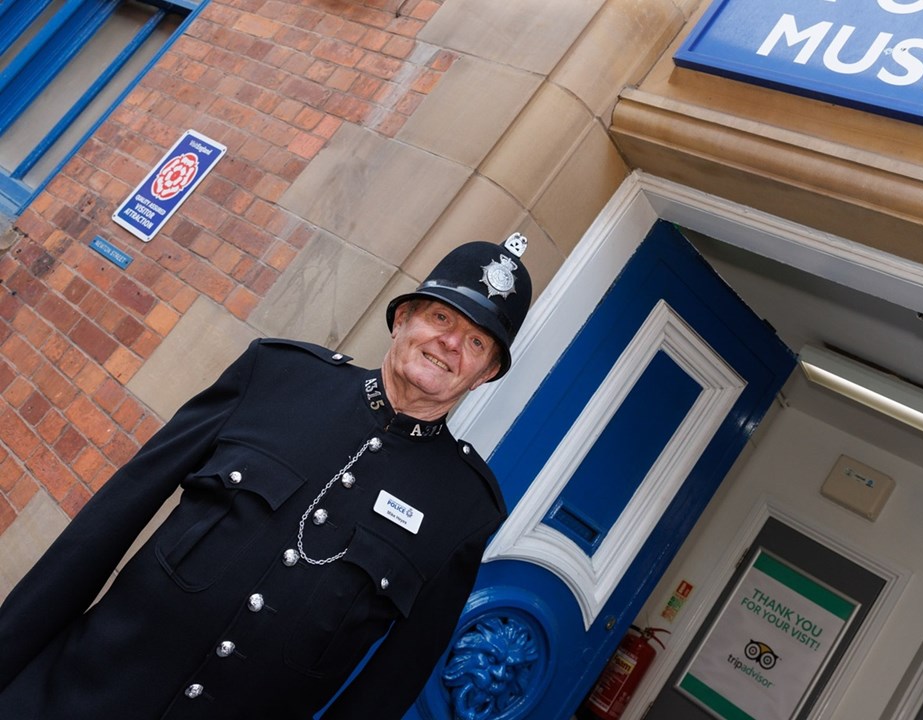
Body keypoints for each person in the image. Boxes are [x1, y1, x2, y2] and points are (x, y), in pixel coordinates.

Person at [0, 233, 533, 719]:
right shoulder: (276, 376)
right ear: (402, 320)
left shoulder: (464, 509)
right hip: (75, 697)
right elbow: (109, 521)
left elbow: (389, 685)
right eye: (441, 319)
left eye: (477, 342)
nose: (450, 344)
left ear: (485, 374)